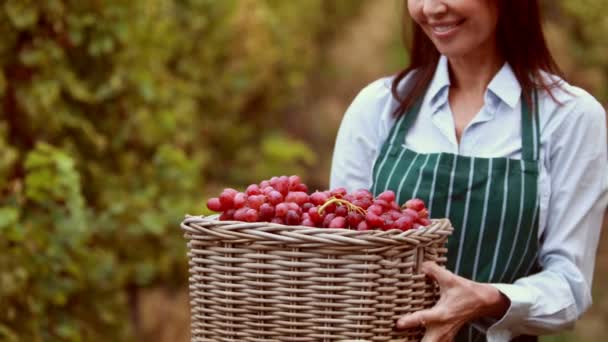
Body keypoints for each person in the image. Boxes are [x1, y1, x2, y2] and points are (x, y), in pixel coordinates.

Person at [329, 0, 608, 341]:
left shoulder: (568, 118)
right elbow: (339, 249)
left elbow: (569, 287)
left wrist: (489, 299)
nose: (431, 8)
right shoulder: (379, 106)